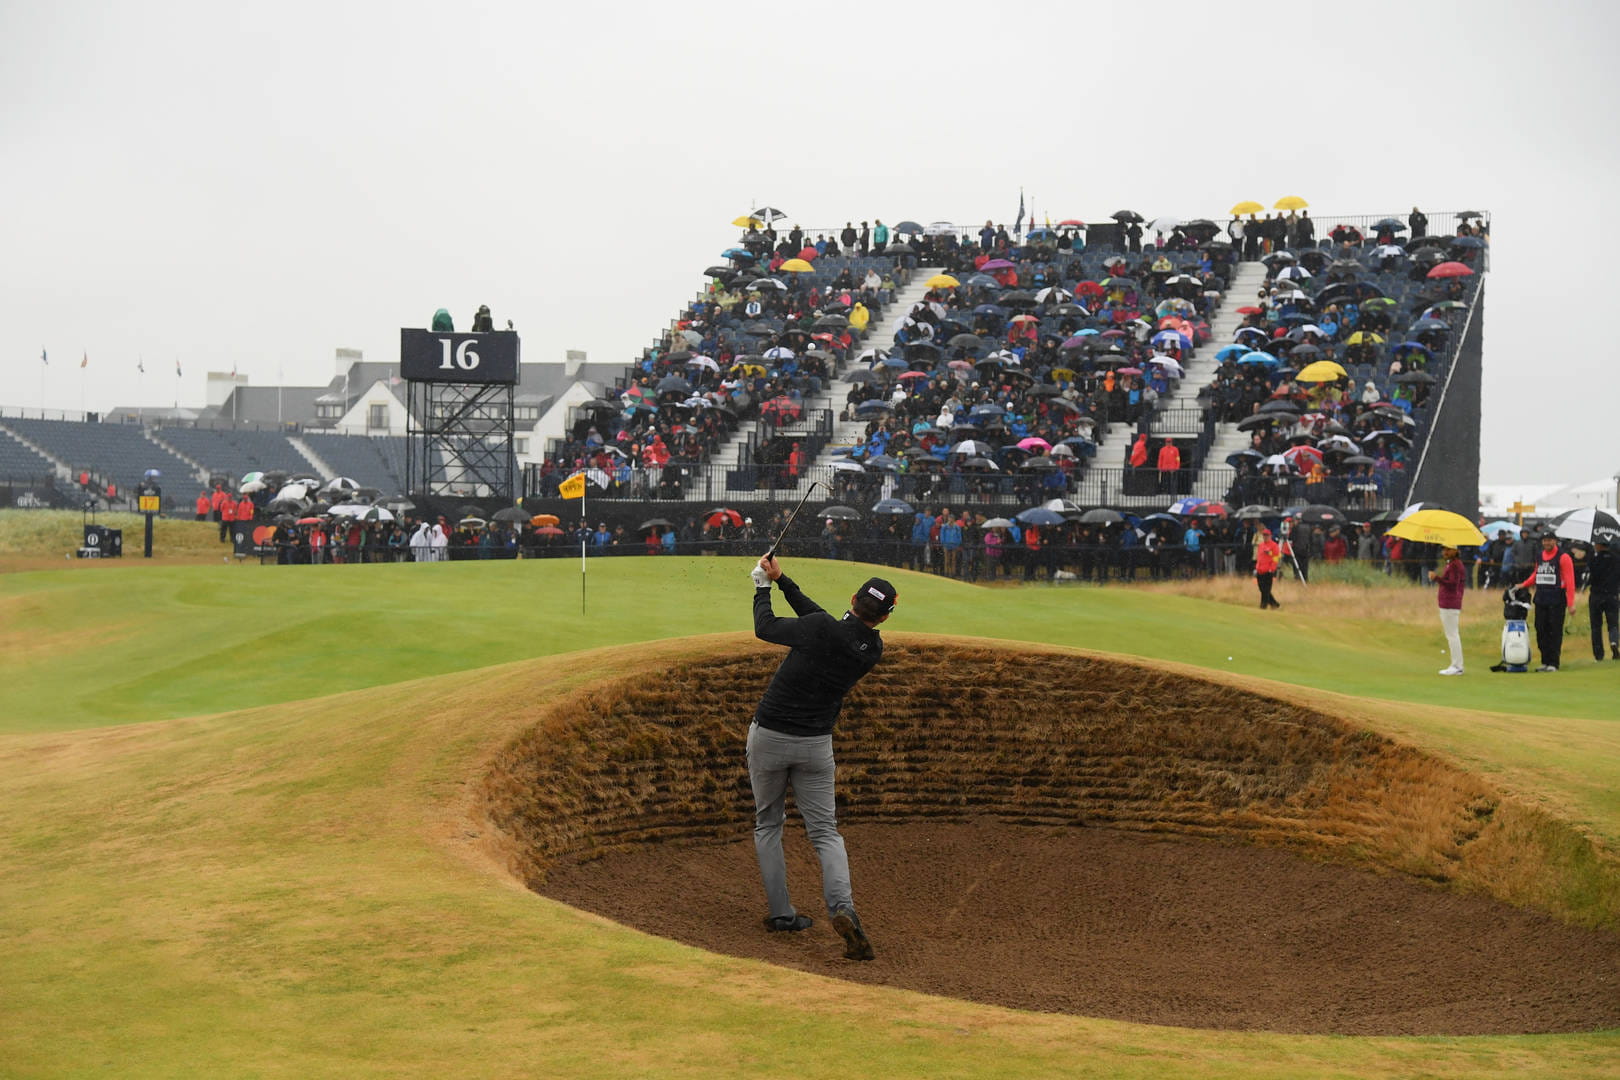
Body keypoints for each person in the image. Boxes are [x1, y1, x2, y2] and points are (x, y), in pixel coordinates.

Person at [746, 554, 893, 961]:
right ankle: (843, 908)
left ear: (853, 598)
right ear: (882, 618)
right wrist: (783, 580)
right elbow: (825, 622)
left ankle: (781, 915)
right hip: (815, 746)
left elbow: (766, 628)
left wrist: (761, 586)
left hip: (770, 735)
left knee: (768, 824)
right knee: (825, 832)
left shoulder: (821, 629)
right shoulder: (871, 649)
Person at [1518, 532, 1576, 671]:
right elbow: (1536, 574)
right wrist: (1523, 584)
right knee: (1540, 629)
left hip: (1557, 599)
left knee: (1554, 631)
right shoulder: (1539, 556)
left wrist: (1571, 603)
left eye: (1549, 540)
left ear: (1555, 541)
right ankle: (1545, 661)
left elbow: (1570, 580)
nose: (1546, 543)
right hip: (1541, 597)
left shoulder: (1563, 557)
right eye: (1544, 541)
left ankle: (1553, 663)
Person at [1428, 546, 1467, 675]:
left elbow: (1452, 584)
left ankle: (1456, 666)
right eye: (1444, 550)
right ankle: (1456, 665)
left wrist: (1436, 578)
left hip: (1451, 602)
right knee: (1451, 634)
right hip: (1448, 602)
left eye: (1448, 550)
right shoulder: (1451, 564)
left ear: (1455, 551)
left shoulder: (1455, 565)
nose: (1445, 552)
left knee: (1452, 635)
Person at [1588, 536, 1619, 661]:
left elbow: (1591, 578)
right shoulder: (1616, 559)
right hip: (1612, 595)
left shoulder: (1594, 560)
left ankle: (1598, 654)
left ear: (1599, 545)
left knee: (1596, 626)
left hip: (1596, 595)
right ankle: (1614, 641)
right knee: (1613, 623)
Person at [1254, 526, 1282, 609]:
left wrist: (1272, 568)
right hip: (1260, 570)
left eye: (1267, 535)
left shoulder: (1274, 546)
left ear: (1270, 536)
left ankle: (1263, 605)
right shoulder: (1261, 545)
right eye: (1264, 535)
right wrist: (1257, 567)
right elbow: (1259, 557)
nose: (1265, 537)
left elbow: (1276, 557)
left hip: (1268, 571)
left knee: (1266, 590)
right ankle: (1274, 604)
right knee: (1262, 589)